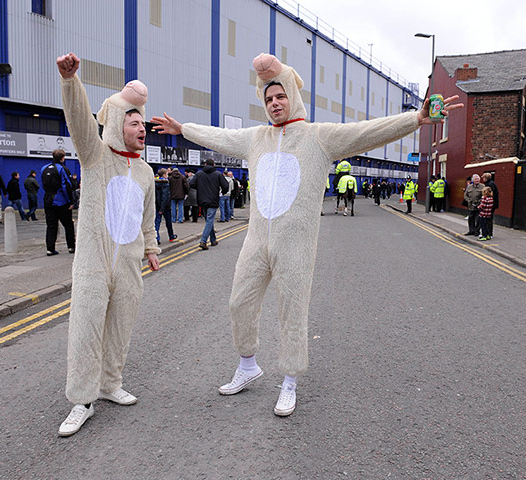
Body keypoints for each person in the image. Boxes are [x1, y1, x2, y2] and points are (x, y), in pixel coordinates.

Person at [152, 53, 462, 416]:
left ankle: (290, 381)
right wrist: (184, 129)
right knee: (239, 303)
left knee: (292, 312)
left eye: (280, 96)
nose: (275, 104)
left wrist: (416, 119)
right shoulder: (256, 138)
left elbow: (366, 130)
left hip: (295, 246)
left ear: (292, 98)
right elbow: (221, 137)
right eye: (268, 99)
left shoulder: (319, 137)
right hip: (256, 241)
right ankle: (248, 366)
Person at [55, 52, 160, 437]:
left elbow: (147, 217)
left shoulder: (147, 172)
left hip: (130, 264)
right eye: (133, 122)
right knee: (86, 329)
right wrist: (71, 82)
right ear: (117, 123)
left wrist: (151, 248)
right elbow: (81, 122)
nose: (141, 128)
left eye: (143, 123)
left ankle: (110, 384)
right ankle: (81, 400)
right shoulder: (95, 156)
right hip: (93, 264)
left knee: (120, 328)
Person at [41, 149, 76, 256]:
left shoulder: (44, 168)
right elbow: (66, 186)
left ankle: (50, 248)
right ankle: (71, 247)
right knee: (68, 224)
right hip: (61, 201)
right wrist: (70, 201)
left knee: (51, 225)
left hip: (48, 200)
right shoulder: (62, 169)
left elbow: (43, 184)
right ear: (62, 158)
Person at [190, 158, 229, 249]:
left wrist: (200, 188)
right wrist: (223, 191)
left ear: (205, 164)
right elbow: (225, 185)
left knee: (209, 220)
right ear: (214, 165)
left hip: (202, 200)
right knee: (210, 220)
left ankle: (213, 240)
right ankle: (203, 241)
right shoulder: (218, 174)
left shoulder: (199, 174)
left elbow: (191, 184)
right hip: (213, 200)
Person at [154, 167, 177, 244]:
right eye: (167, 174)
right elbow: (165, 197)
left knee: (157, 223)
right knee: (168, 222)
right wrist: (162, 208)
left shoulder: (155, 183)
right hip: (165, 207)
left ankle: (156, 238)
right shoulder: (165, 184)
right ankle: (171, 236)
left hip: (157, 205)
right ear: (164, 175)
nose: (168, 176)